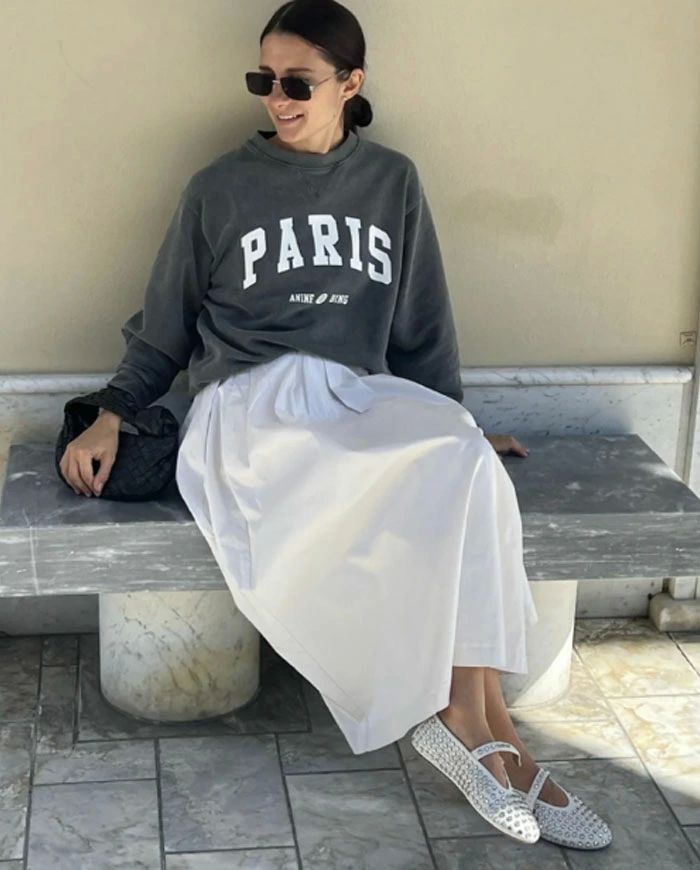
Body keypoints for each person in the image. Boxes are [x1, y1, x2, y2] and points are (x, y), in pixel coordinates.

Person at [58, 0, 611, 850]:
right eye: (264, 80)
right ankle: (482, 733)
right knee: (411, 462)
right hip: (249, 407)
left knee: (464, 462)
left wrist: (452, 420)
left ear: (351, 84)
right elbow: (163, 326)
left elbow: (422, 328)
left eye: (297, 83)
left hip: (355, 396)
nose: (276, 99)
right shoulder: (219, 188)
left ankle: (483, 723)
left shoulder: (393, 182)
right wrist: (110, 414)